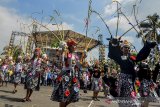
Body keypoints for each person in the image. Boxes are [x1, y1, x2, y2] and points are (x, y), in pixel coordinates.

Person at [108, 38, 157, 106]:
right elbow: (112, 54)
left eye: (128, 48)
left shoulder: (131, 57)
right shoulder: (120, 57)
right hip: (124, 81)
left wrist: (148, 46)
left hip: (131, 81)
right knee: (127, 102)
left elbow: (140, 56)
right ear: (121, 48)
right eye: (125, 47)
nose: (126, 49)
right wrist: (113, 44)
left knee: (131, 102)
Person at [51, 39, 81, 107]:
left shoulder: (75, 56)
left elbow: (79, 66)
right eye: (74, 45)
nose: (75, 47)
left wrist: (82, 58)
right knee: (64, 94)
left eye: (76, 45)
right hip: (66, 75)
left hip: (73, 76)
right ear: (70, 46)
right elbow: (63, 60)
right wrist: (63, 48)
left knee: (74, 93)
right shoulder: (66, 53)